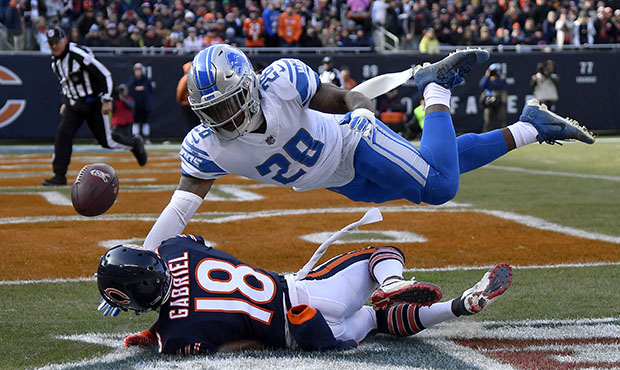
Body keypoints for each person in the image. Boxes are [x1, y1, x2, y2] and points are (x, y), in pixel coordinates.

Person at [141, 45, 594, 250]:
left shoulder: (280, 83)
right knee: (440, 160)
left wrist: (360, 104)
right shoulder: (207, 147)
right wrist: (142, 256)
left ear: (248, 87)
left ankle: (434, 88)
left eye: (229, 104)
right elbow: (179, 210)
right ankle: (533, 128)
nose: (222, 118)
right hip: (339, 181)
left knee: (438, 187)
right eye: (212, 111)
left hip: (354, 141)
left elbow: (338, 99)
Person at [97, 233, 512, 354]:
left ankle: (457, 308)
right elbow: (199, 257)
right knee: (381, 253)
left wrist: (157, 333)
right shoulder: (173, 248)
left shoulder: (176, 337)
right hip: (305, 290)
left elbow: (233, 343)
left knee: (375, 322)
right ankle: (391, 284)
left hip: (309, 335)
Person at [43, 27, 147, 186]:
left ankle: (134, 144)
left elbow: (105, 74)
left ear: (65, 40)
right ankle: (59, 175)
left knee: (107, 141)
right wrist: (66, 101)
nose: (54, 46)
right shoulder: (55, 62)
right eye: (51, 44)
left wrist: (107, 99)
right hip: (75, 104)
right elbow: (65, 84)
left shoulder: (78, 55)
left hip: (93, 103)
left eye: (56, 42)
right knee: (63, 135)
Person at [128, 62, 155, 142]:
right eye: (136, 70)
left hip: (144, 105)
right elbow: (130, 93)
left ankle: (146, 138)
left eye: (139, 70)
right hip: (135, 106)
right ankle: (136, 138)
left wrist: (148, 104)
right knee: (135, 121)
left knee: (145, 121)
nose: (138, 72)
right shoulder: (132, 81)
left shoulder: (147, 81)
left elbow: (150, 92)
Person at [479, 63, 508, 132]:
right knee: (487, 121)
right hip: (489, 101)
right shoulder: (487, 78)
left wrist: (496, 80)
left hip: (499, 101)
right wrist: (487, 76)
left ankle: (503, 136)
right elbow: (482, 86)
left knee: (501, 120)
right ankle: (485, 136)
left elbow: (504, 86)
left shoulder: (501, 78)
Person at [176, 61, 200, 133]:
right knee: (196, 123)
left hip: (186, 104)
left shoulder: (185, 78)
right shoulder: (196, 77)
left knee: (190, 123)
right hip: (195, 103)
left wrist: (180, 101)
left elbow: (179, 92)